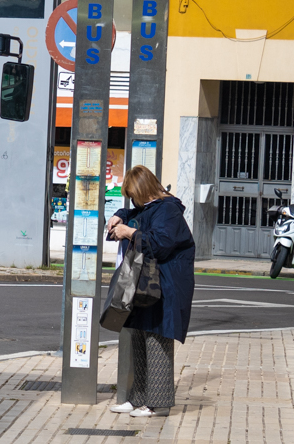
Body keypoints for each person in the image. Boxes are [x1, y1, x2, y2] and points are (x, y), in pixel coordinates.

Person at [106, 165, 195, 418]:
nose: (133, 201)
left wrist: (130, 232)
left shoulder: (168, 210)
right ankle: (137, 399)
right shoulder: (151, 206)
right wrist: (119, 216)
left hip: (166, 286)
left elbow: (161, 244)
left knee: (157, 339)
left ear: (145, 191)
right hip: (148, 282)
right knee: (140, 336)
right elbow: (136, 214)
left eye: (134, 195)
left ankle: (157, 404)